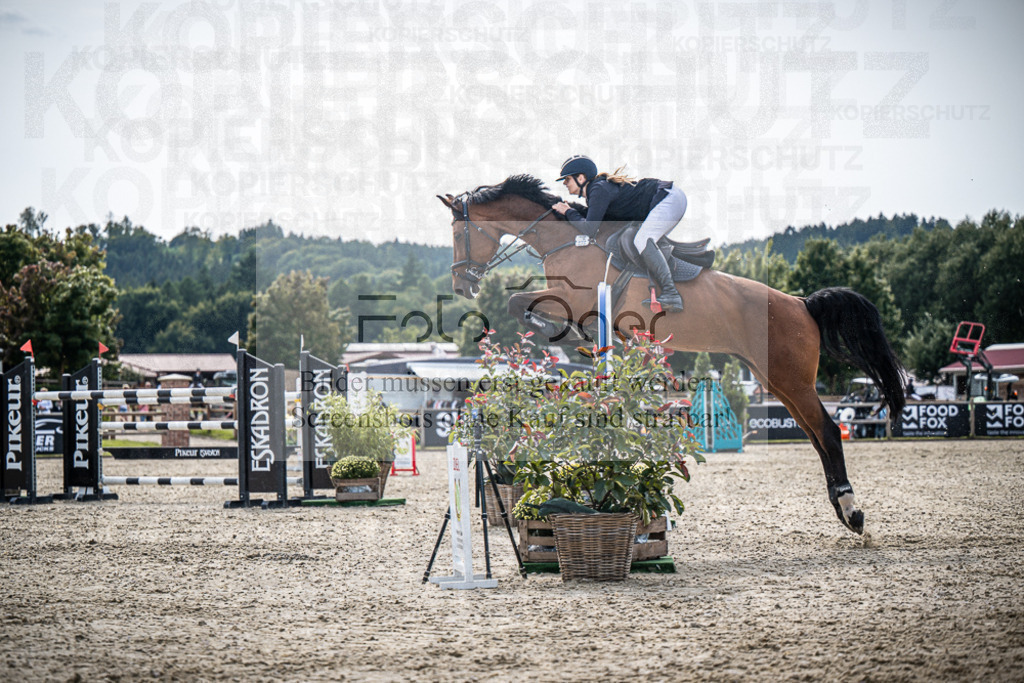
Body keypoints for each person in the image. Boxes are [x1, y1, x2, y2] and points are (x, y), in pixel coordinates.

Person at [551, 155, 686, 313]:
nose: (565, 183)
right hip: (664, 200)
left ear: (581, 178)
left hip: (668, 198)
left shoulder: (598, 189)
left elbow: (589, 229)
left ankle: (671, 293)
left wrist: (568, 212)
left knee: (642, 240)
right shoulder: (596, 191)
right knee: (631, 241)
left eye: (567, 179)